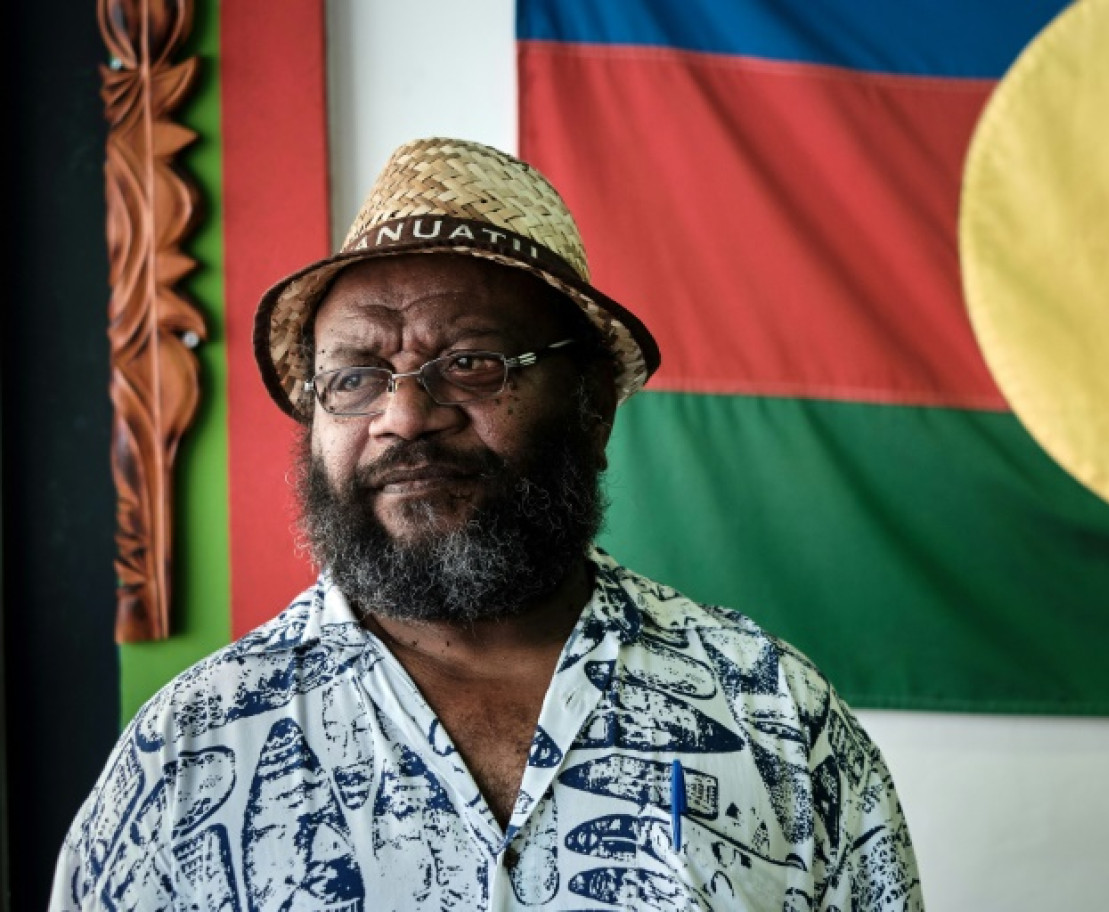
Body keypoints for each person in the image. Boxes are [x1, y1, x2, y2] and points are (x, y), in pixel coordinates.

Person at [51, 137, 922, 910]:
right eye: (353, 378)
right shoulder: (190, 755)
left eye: (468, 363)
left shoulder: (772, 715)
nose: (403, 415)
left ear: (592, 413)